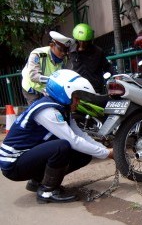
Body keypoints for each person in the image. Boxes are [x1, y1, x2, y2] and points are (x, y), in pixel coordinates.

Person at [0, 69, 114, 204]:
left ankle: (38, 181)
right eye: (76, 98)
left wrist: (105, 150)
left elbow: (80, 135)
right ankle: (47, 191)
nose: (78, 102)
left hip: (26, 157)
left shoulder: (61, 109)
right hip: (13, 164)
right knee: (62, 146)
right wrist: (106, 153)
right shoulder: (48, 111)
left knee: (83, 154)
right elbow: (74, 141)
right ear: (64, 93)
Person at [21, 31, 74, 105]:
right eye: (61, 50)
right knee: (38, 112)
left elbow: (69, 74)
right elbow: (33, 76)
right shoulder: (38, 54)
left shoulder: (64, 59)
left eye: (66, 50)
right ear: (52, 45)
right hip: (32, 89)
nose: (63, 53)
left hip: (47, 89)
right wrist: (53, 80)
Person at [67, 23, 114, 94]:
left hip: (95, 89)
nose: (82, 44)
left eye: (85, 42)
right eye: (80, 41)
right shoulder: (70, 52)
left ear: (89, 41)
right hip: (77, 89)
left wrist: (114, 76)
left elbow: (107, 67)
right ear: (76, 40)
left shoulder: (98, 52)